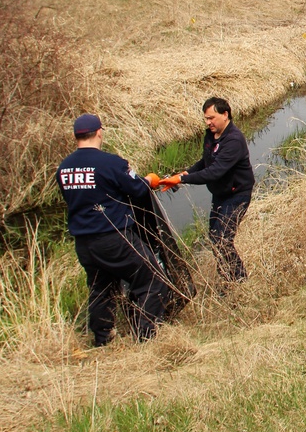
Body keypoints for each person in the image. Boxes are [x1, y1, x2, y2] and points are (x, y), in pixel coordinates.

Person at [57, 114, 169, 346]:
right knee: (153, 278)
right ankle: (146, 336)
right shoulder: (111, 163)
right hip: (114, 238)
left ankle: (102, 338)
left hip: (84, 244)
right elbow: (137, 189)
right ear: (99, 132)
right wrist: (149, 180)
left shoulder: (64, 168)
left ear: (76, 136)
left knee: (101, 287)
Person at [161, 97, 254, 285]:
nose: (208, 122)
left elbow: (214, 171)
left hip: (237, 195)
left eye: (211, 118)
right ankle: (228, 279)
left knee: (222, 238)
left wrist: (182, 179)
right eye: (206, 118)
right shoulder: (211, 136)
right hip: (220, 195)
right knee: (215, 238)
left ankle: (240, 281)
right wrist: (186, 172)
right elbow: (205, 162)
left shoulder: (234, 140)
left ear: (225, 114)